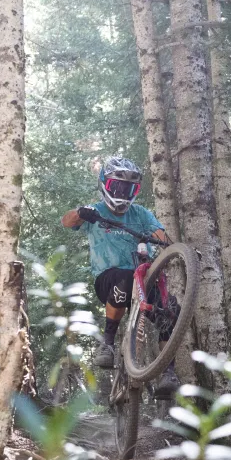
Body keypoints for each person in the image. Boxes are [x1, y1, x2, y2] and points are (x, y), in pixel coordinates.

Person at [61, 156, 180, 397]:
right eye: (117, 186)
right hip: (108, 278)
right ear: (105, 184)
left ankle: (168, 372)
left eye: (128, 188)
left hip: (143, 279)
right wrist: (82, 213)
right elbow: (67, 221)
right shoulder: (97, 210)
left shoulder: (141, 214)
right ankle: (107, 343)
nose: (122, 193)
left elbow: (161, 235)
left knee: (170, 309)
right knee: (124, 278)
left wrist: (169, 244)